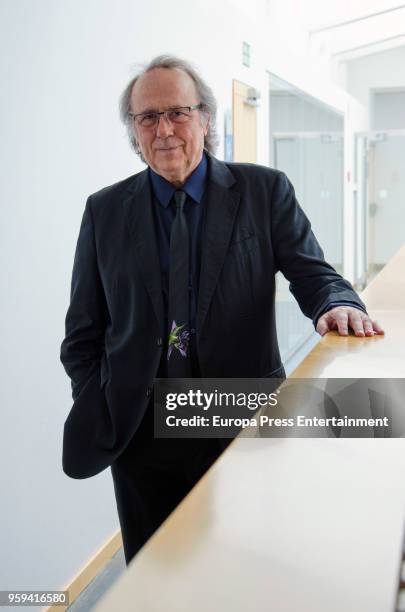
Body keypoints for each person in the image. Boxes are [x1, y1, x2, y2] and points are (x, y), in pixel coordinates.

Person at [60, 54, 384, 565]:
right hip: (142, 434)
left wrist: (337, 303)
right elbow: (82, 331)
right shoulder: (104, 210)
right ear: (134, 131)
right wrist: (101, 398)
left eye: (178, 112)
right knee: (155, 572)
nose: (164, 129)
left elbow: (312, 271)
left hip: (240, 416)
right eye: (147, 117)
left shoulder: (263, 191)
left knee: (248, 565)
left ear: (206, 119)